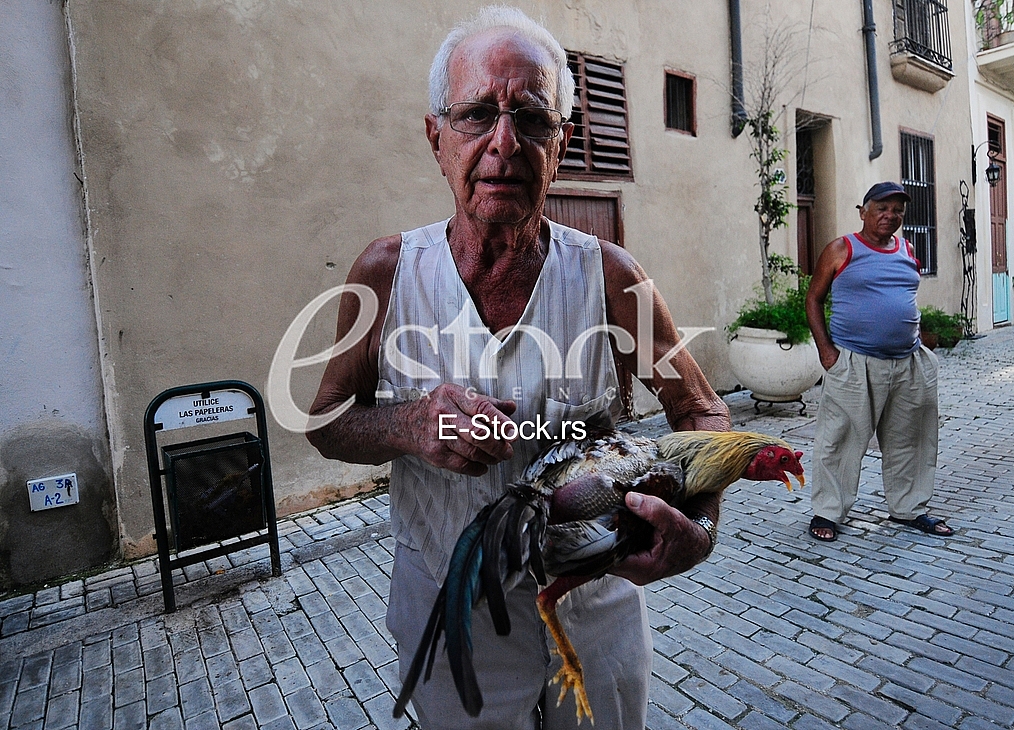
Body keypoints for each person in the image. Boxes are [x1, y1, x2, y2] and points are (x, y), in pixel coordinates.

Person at [306, 6, 730, 729]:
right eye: (476, 115)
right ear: (436, 137)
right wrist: (410, 422)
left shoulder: (608, 275)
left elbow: (701, 410)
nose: (504, 143)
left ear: (560, 143)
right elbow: (326, 421)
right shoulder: (387, 272)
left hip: (593, 601)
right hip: (451, 612)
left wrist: (702, 522)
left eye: (532, 119)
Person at [805, 181, 953, 542]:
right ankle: (828, 511)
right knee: (839, 438)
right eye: (882, 208)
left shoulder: (907, 248)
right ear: (864, 212)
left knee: (911, 438)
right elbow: (813, 299)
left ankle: (909, 508)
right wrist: (827, 351)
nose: (890, 215)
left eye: (897, 210)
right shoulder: (842, 248)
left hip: (908, 362)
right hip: (854, 362)